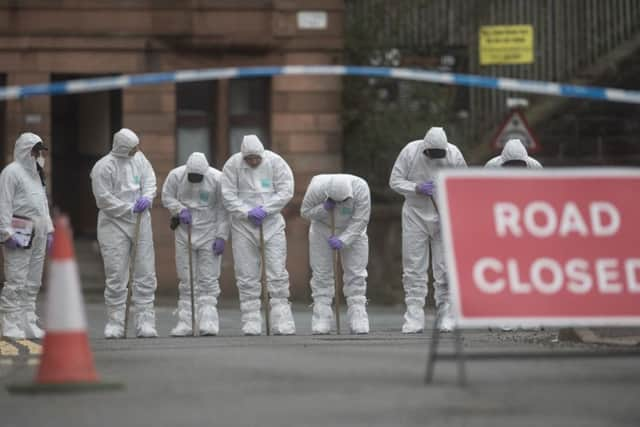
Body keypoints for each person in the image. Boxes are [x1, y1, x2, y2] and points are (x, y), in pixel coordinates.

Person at [389, 126, 467, 333]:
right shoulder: (410, 152)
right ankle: (414, 316)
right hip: (415, 216)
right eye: (432, 154)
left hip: (444, 217)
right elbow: (394, 181)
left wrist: (453, 213)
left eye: (439, 154)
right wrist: (415, 187)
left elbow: (463, 186)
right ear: (425, 149)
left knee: (444, 269)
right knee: (414, 267)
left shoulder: (454, 154)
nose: (435, 158)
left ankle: (446, 315)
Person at [221, 135, 296, 336]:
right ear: (243, 156)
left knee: (277, 271)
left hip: (271, 223)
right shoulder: (232, 165)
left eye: (256, 158)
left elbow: (286, 190)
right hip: (243, 225)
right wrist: (246, 212)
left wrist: (267, 209)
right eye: (249, 159)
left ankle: (281, 318)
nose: (253, 162)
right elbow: (228, 195)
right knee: (246, 274)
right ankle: (251, 319)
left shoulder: (276, 162)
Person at [90, 128, 158, 338]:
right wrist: (127, 208)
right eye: (132, 147)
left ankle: (145, 321)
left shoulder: (139, 158)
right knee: (116, 273)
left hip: (140, 220)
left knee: (145, 271)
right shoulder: (103, 167)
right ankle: (115, 322)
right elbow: (103, 199)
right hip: (113, 223)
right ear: (121, 147)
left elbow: (150, 180)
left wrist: (147, 197)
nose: (136, 150)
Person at [162, 152, 230, 336]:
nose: (194, 180)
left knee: (208, 279)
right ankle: (186, 322)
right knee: (187, 278)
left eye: (198, 177)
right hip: (185, 231)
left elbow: (224, 209)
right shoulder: (176, 176)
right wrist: (179, 209)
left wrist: (221, 236)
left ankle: (208, 322)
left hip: (209, 231)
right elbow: (166, 197)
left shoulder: (217, 179)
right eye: (192, 176)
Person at [300, 174, 370, 334]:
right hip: (323, 229)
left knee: (356, 273)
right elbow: (305, 212)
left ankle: (358, 314)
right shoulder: (317, 187)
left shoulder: (361, 188)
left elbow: (361, 219)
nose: (340, 204)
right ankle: (321, 315)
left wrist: (344, 240)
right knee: (321, 273)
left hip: (353, 229)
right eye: (336, 201)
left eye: (343, 201)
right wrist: (323, 209)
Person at [0, 132, 54, 339]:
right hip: (19, 230)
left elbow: (42, 204)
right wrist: (5, 232)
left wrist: (49, 229)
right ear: (25, 151)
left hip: (38, 232)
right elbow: (4, 203)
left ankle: (27, 320)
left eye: (39, 151)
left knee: (33, 280)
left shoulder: (37, 174)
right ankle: (10, 323)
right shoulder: (11, 173)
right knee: (16, 279)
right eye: (35, 151)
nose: (38, 155)